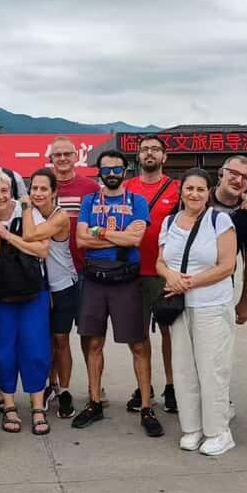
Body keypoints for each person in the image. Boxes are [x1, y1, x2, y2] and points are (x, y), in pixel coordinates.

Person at [72, 150, 164, 437]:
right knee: (93, 342)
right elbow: (80, 240)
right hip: (95, 279)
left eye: (116, 169)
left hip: (126, 279)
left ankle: (147, 406)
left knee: (138, 344)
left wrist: (99, 232)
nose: (111, 174)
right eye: (106, 169)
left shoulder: (137, 201)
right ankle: (95, 402)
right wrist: (118, 239)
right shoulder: (90, 201)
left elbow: (135, 239)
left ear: (125, 171)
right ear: (99, 172)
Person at [157, 168, 238, 454]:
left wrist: (188, 283)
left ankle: (219, 431)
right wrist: (170, 276)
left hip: (211, 306)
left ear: (209, 192)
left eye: (200, 189)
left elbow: (227, 266)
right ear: (181, 191)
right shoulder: (169, 222)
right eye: (189, 188)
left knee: (211, 368)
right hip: (179, 307)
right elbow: (160, 262)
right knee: (183, 369)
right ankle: (192, 427)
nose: (194, 194)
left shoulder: (220, 220)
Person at [0, 168, 52, 436]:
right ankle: (8, 404)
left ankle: (37, 406)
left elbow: (43, 249)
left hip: (33, 291)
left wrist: (8, 236)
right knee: (2, 350)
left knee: (36, 348)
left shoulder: (28, 213)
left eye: (4, 190)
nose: (0, 196)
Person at [125, 134, 181, 414]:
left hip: (165, 272)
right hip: (131, 271)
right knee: (137, 335)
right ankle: (144, 386)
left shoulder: (178, 188)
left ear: (164, 156)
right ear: (138, 156)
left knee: (170, 332)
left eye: (155, 149)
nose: (149, 153)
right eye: (144, 149)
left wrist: (244, 200)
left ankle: (172, 385)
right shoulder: (126, 187)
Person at [22, 168, 79, 419]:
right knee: (43, 341)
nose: (38, 193)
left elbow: (30, 235)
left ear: (54, 192)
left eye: (43, 188)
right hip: (38, 286)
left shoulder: (60, 216)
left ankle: (64, 390)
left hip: (63, 285)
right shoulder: (32, 213)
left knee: (61, 339)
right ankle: (50, 385)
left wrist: (25, 206)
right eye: (34, 188)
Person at [47, 136, 99, 405]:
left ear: (75, 156)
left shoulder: (90, 187)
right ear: (51, 159)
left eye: (67, 154)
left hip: (85, 271)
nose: (63, 159)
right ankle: (54, 386)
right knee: (56, 335)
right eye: (58, 155)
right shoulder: (44, 186)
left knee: (89, 335)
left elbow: (99, 223)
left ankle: (94, 388)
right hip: (53, 273)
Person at [210, 156, 247, 326]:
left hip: (221, 288)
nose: (238, 180)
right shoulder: (198, 200)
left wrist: (244, 302)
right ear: (221, 174)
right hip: (185, 283)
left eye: (245, 177)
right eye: (233, 173)